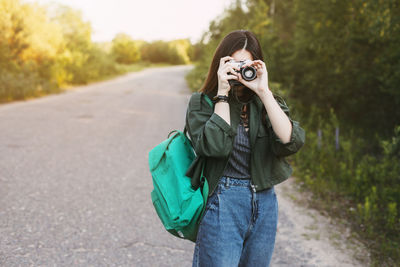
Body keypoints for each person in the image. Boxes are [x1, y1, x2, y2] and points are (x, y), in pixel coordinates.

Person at [185, 30, 306, 267]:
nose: (240, 70)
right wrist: (222, 93)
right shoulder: (202, 103)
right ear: (221, 64)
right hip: (223, 201)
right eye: (234, 63)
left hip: (265, 202)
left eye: (246, 64)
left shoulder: (266, 103)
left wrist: (264, 91)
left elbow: (291, 141)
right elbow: (214, 147)